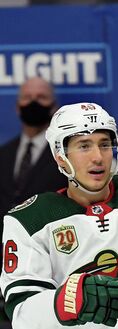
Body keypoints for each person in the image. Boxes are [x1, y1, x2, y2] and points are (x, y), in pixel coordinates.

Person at [0, 102, 118, 329]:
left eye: (104, 144)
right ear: (60, 157)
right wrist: (66, 301)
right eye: (84, 146)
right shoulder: (28, 221)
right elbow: (24, 320)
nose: (98, 156)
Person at [0, 77, 67, 257]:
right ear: (17, 106)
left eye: (41, 97)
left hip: (50, 253)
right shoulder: (3, 154)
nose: (33, 102)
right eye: (27, 97)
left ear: (53, 106)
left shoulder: (65, 156)